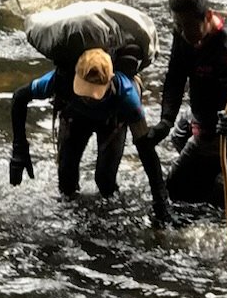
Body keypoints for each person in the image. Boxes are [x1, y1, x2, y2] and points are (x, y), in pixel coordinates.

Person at [10, 48, 172, 226]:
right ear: (76, 76)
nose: (88, 98)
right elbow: (19, 96)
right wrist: (20, 150)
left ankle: (105, 226)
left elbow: (146, 148)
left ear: (110, 80)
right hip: (76, 119)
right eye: (84, 90)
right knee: (66, 182)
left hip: (112, 122)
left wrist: (160, 203)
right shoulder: (60, 80)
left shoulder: (126, 96)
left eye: (94, 93)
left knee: (105, 183)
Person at [151, 0, 227, 205]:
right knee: (178, 134)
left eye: (190, 26)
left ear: (208, 16)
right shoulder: (182, 34)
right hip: (198, 116)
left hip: (223, 128)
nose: (184, 32)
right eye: (179, 25)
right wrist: (165, 120)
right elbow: (175, 78)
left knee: (174, 187)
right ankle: (213, 176)